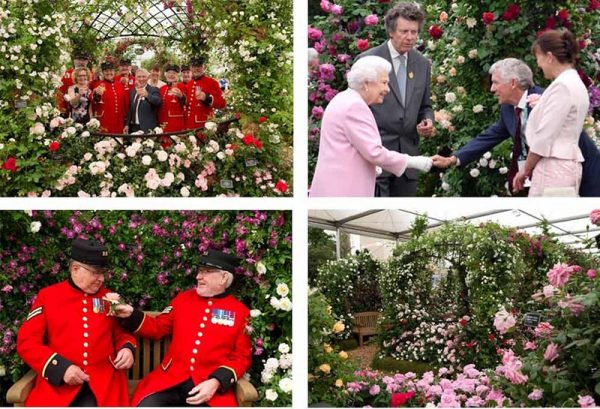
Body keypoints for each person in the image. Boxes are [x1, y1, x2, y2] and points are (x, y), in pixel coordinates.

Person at [431, 57, 600, 197]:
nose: (492, 89)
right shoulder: (508, 109)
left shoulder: (544, 99)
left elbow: (576, 140)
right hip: (538, 177)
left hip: (580, 172)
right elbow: (489, 137)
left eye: (495, 83)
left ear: (513, 83)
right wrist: (453, 158)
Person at [113, 249, 252, 407]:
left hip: (206, 386)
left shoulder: (241, 313)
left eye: (206, 272)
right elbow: (158, 327)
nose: (198, 277)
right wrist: (131, 314)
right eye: (200, 271)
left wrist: (216, 382)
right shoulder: (183, 300)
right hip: (169, 379)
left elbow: (241, 358)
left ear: (224, 278)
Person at [16, 238, 136, 406]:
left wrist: (127, 348)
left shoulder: (107, 298)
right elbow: (27, 342)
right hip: (59, 387)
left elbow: (120, 332)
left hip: (103, 383)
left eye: (103, 272)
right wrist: (60, 368)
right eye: (95, 272)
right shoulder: (48, 297)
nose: (101, 279)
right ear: (75, 269)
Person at [309, 56, 432, 197]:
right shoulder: (354, 106)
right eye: (384, 83)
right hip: (344, 190)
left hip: (336, 186)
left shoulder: (344, 99)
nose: (387, 89)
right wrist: (413, 161)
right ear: (367, 83)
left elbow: (349, 148)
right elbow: (374, 152)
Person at [357, 2, 434, 197]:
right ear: (391, 31)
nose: (410, 37)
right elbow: (356, 107)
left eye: (414, 32)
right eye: (404, 31)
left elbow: (425, 105)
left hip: (409, 156)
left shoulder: (422, 63)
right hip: (377, 153)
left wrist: (428, 121)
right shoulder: (368, 60)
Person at [512, 30, 589, 196]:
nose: (538, 64)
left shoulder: (562, 86)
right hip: (565, 164)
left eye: (538, 58)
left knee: (543, 218)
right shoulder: (575, 83)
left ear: (549, 56)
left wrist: (525, 169)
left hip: (554, 167)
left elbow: (544, 136)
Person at [185, 56, 226, 130]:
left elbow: (222, 103)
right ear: (190, 68)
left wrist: (207, 98)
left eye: (199, 66)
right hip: (189, 126)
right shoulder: (189, 84)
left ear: (204, 67)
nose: (196, 68)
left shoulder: (212, 82)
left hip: (204, 126)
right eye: (194, 66)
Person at [92, 61, 129, 134]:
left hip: (118, 120)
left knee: (118, 141)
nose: (109, 73)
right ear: (103, 72)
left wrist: (126, 119)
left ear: (114, 71)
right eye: (106, 71)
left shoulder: (120, 85)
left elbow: (126, 102)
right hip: (105, 119)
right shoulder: (99, 84)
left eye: (111, 70)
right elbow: (94, 100)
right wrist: (96, 95)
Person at [125, 68, 162, 133]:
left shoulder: (153, 89)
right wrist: (127, 124)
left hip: (147, 128)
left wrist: (147, 95)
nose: (141, 79)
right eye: (139, 77)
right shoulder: (133, 91)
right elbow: (131, 109)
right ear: (136, 78)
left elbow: (158, 101)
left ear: (148, 78)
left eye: (143, 76)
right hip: (133, 128)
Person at [57, 52, 90, 118]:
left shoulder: (90, 75)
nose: (82, 62)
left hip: (87, 112)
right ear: (74, 60)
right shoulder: (66, 74)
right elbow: (60, 93)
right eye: (79, 59)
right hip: (69, 111)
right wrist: (62, 109)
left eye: (84, 60)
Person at [157, 63, 187, 133]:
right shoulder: (162, 88)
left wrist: (181, 96)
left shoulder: (182, 86)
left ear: (178, 75)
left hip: (176, 124)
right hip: (163, 123)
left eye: (174, 73)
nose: (171, 75)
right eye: (169, 73)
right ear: (165, 74)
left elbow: (187, 103)